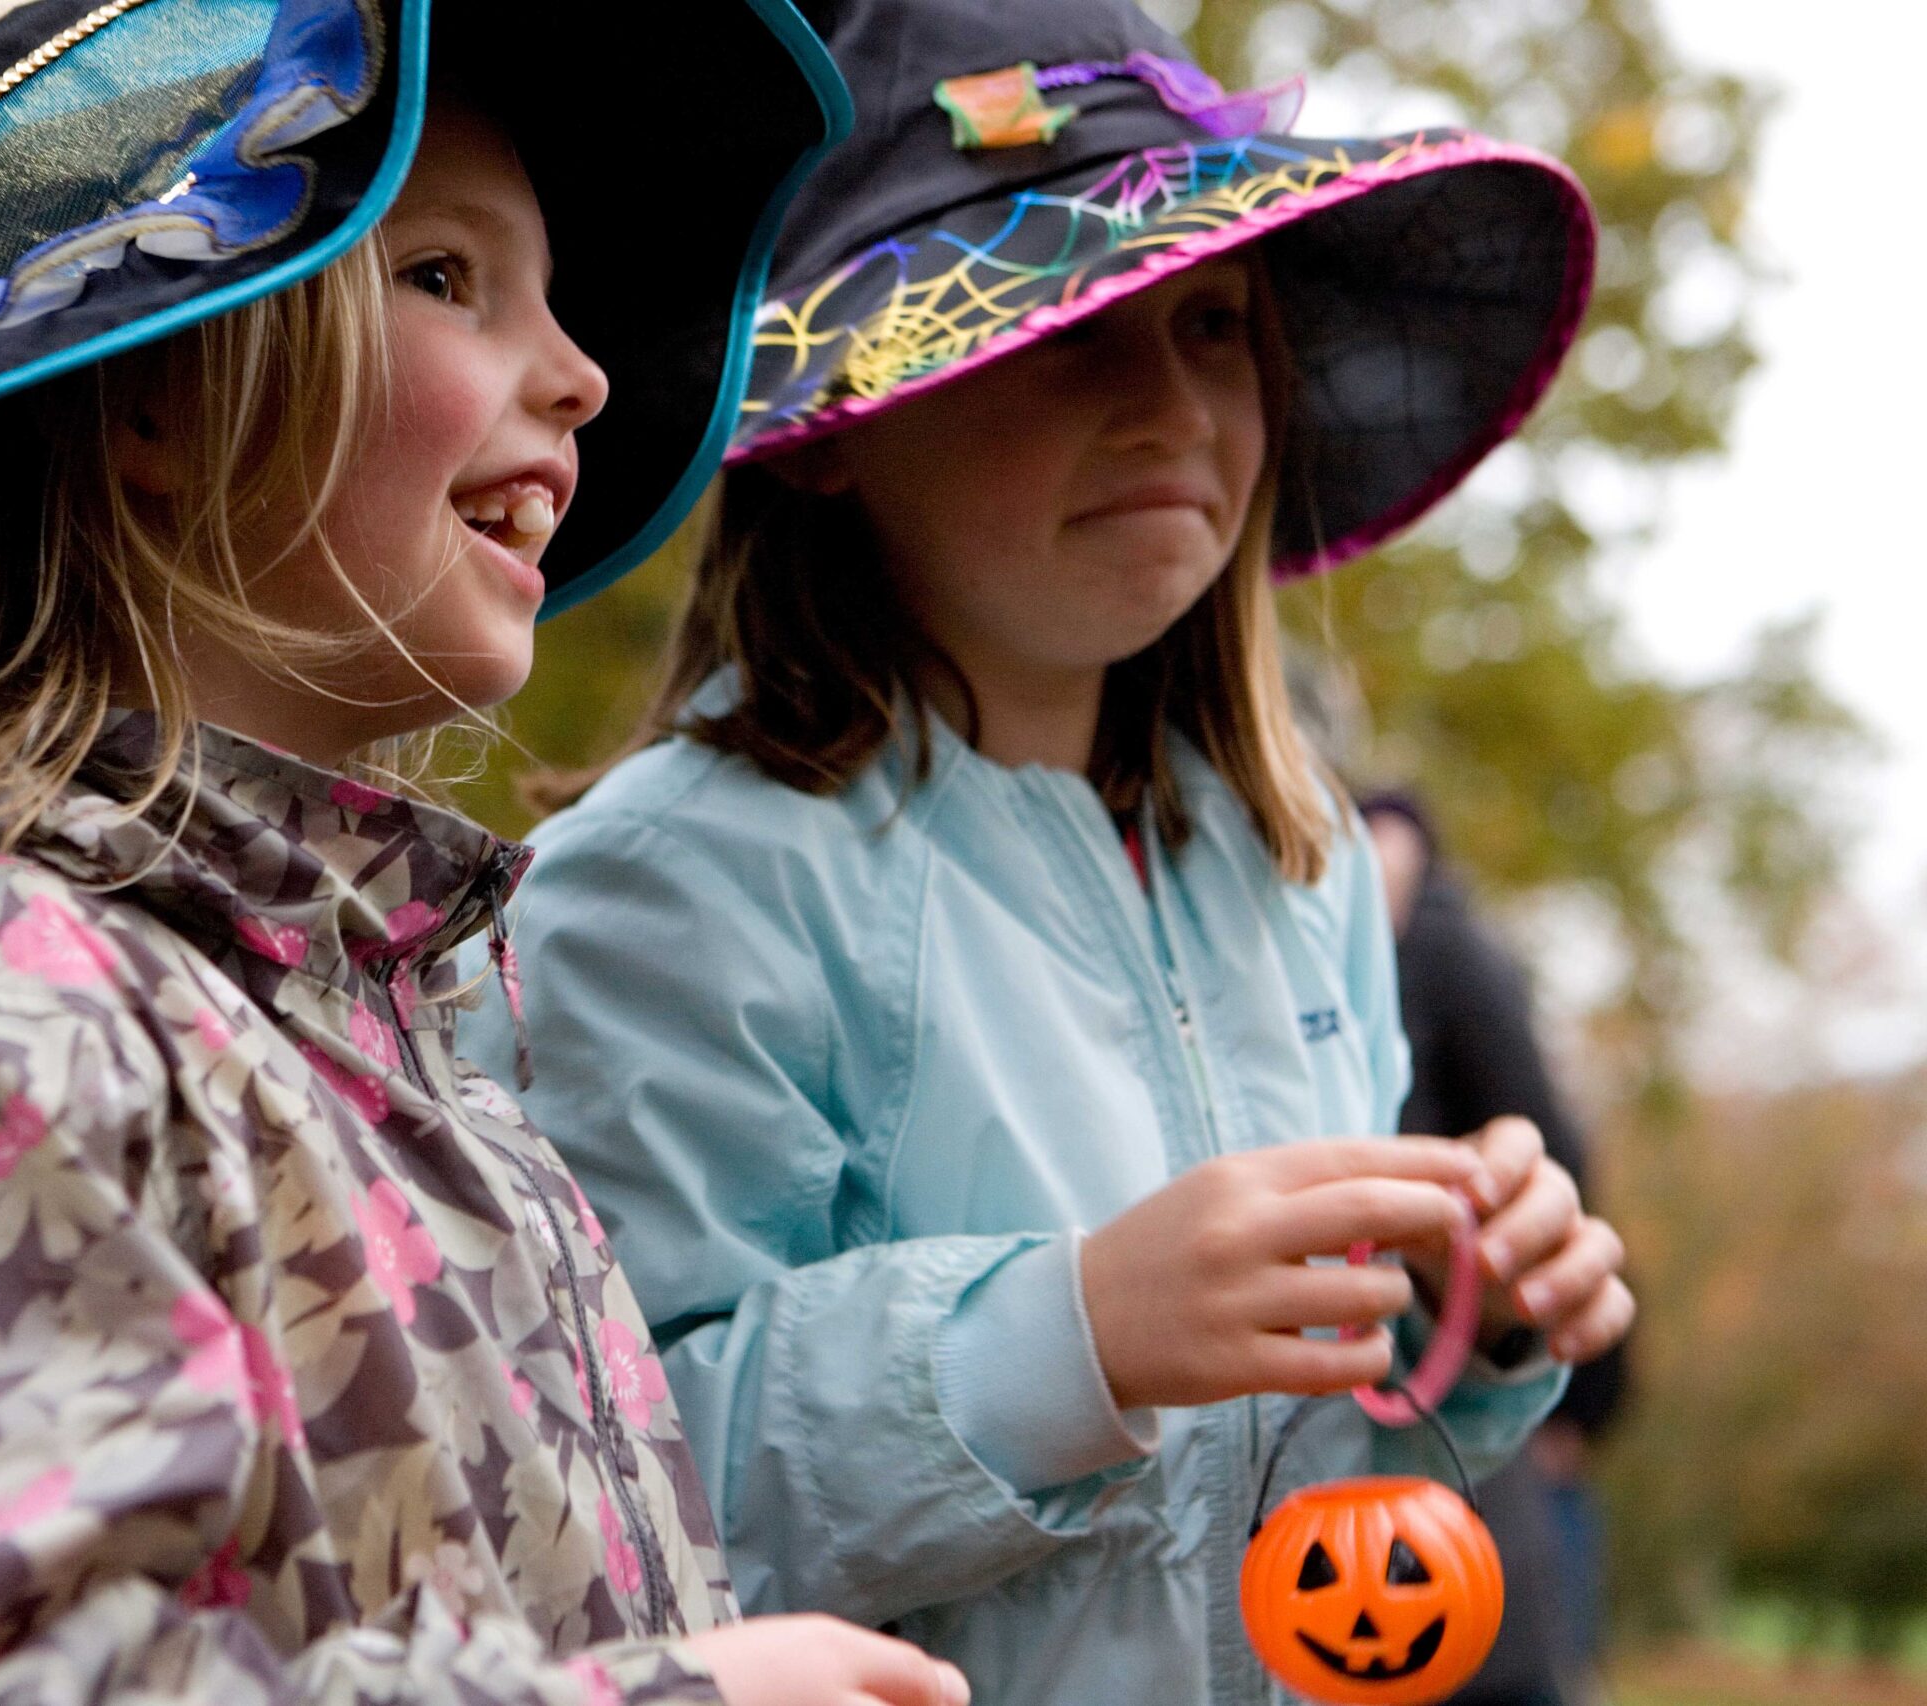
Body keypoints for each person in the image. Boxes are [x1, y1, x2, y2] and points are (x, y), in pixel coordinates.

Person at [0, 4, 976, 1705]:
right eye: (445, 276)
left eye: (555, 295)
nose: (580, 371)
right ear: (149, 383)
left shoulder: (404, 1055)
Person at [462, 2, 1635, 1702]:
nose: (1169, 407)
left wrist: (1465, 1322)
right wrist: (1066, 1333)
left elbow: (1300, 1493)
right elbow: (591, 1491)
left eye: (1217, 325)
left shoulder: (1292, 878)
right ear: (846, 415)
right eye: (1073, 333)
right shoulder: (676, 887)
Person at [1364, 794, 1631, 1706]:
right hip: (1356, 1464)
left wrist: (1577, 1397)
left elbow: (1547, 1151)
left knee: (1507, 1645)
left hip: (1482, 1400)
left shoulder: (1442, 949)